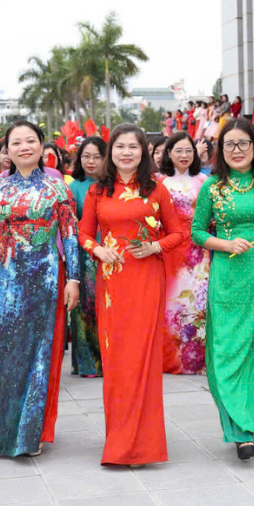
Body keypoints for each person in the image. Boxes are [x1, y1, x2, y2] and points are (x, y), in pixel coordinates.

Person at [77, 124, 185, 466]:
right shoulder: (97, 191)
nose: (126, 152)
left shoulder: (156, 191)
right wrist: (96, 249)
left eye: (133, 147)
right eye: (120, 146)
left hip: (146, 281)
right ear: (111, 152)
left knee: (143, 361)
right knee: (117, 363)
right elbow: (83, 233)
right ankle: (119, 443)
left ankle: (144, 446)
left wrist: (155, 244)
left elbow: (180, 231)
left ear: (144, 153)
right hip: (112, 284)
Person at [0, 121, 80, 457]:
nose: (23, 147)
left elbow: (71, 236)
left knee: (39, 355)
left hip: (46, 279)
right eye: (16, 142)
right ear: (6, 150)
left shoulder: (57, 188)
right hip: (6, 280)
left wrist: (74, 279)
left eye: (30, 141)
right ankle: (5, 435)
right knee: (6, 356)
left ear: (41, 146)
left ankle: (28, 437)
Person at [191, 118, 254, 460]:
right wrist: (225, 243)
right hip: (228, 278)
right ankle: (238, 430)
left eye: (243, 143)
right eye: (229, 144)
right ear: (220, 150)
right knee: (229, 350)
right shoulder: (211, 187)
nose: (236, 150)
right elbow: (198, 232)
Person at [158, 132, 209, 375]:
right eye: (179, 150)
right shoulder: (160, 183)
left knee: (198, 300)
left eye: (189, 150)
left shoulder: (204, 181)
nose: (184, 155)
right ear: (169, 153)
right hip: (170, 250)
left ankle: (197, 359)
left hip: (199, 251)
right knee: (173, 302)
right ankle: (172, 359)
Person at [68, 136, 107, 378]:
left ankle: (110, 360)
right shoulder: (73, 188)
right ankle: (86, 362)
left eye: (97, 156)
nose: (91, 161)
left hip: (113, 253)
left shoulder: (113, 185)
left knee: (109, 307)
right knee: (85, 308)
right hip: (84, 255)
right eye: (86, 156)